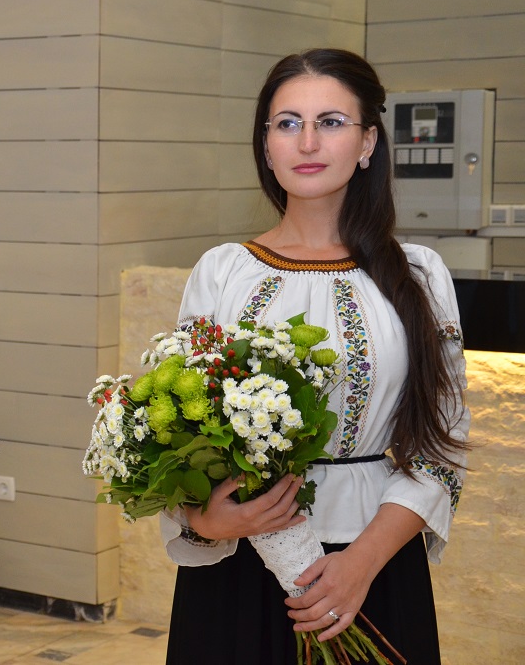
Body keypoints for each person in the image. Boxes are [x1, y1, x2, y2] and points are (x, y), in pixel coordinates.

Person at [160, 48, 469, 664]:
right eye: (287, 123)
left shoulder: (418, 275)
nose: (306, 142)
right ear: (266, 145)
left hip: (374, 566)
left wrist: (360, 565)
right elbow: (180, 431)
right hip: (239, 571)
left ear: (367, 142)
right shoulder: (223, 271)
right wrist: (205, 520)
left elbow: (442, 443)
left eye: (330, 122)